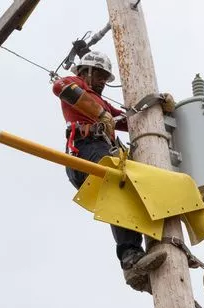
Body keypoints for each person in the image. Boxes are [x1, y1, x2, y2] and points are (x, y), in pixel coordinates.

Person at [51, 51, 164, 291]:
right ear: (86, 72)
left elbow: (128, 121)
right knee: (118, 185)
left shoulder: (101, 102)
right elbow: (60, 86)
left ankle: (135, 262)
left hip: (103, 150)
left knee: (129, 194)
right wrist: (99, 114)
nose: (103, 82)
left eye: (105, 77)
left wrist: (159, 108)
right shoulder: (77, 85)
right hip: (85, 149)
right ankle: (130, 256)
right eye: (100, 75)